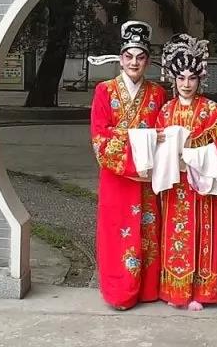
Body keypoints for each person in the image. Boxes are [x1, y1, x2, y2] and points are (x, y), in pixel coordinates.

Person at [90, 20, 167, 310]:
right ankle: (118, 292)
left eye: (140, 57)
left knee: (147, 233)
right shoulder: (104, 91)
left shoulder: (158, 94)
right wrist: (144, 138)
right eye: (129, 56)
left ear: (147, 60)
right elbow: (100, 137)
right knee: (117, 232)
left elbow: (164, 135)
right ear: (120, 59)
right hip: (116, 178)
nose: (134, 62)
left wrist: (153, 143)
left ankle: (146, 290)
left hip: (147, 179)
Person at [157, 34, 217, 311]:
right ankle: (176, 290)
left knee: (204, 235)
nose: (186, 84)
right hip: (175, 186)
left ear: (200, 78)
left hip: (202, 187)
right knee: (176, 236)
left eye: (192, 78)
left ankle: (203, 291)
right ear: (173, 78)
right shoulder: (165, 112)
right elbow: (157, 148)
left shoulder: (213, 113)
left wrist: (195, 157)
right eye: (181, 78)